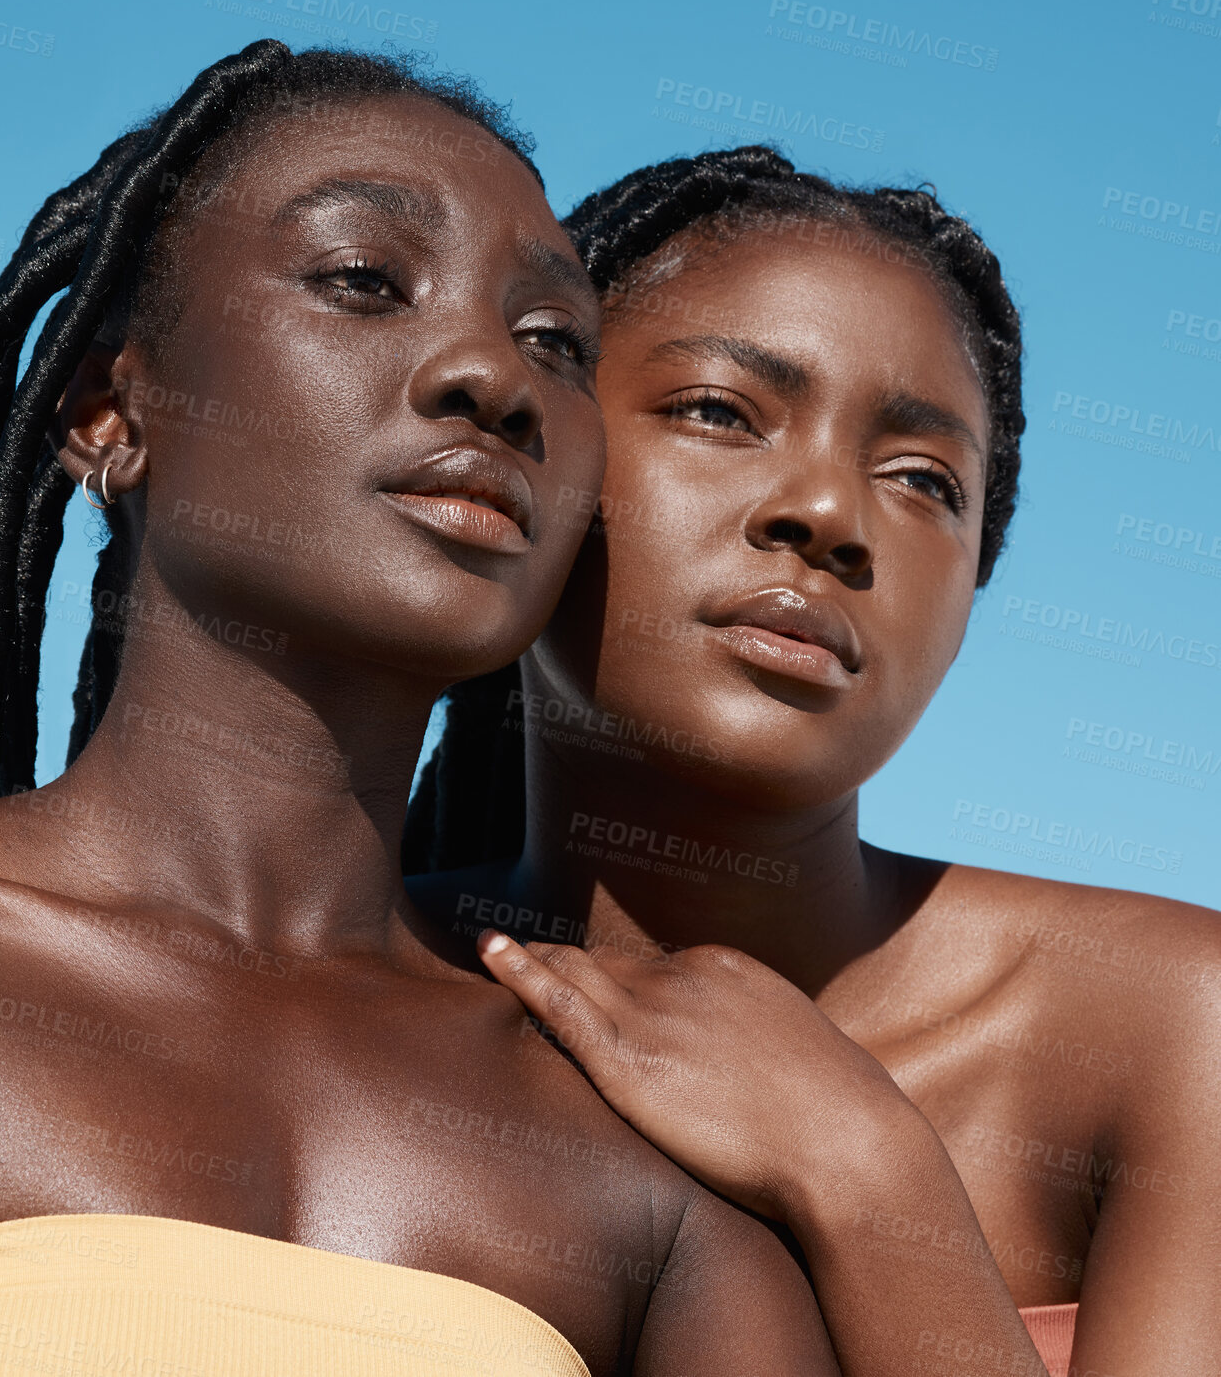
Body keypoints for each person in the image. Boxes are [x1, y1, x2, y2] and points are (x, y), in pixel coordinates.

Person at [0, 56, 840, 1376]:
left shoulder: (640, 1115)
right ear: (111, 409)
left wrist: (868, 1183)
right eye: (363, 280)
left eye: (553, 344)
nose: (492, 374)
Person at [406, 146, 1221, 1377]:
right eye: (719, 412)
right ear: (539, 454)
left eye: (921, 481)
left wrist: (864, 1170)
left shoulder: (1159, 1026)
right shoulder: (342, 990)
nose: (830, 515)